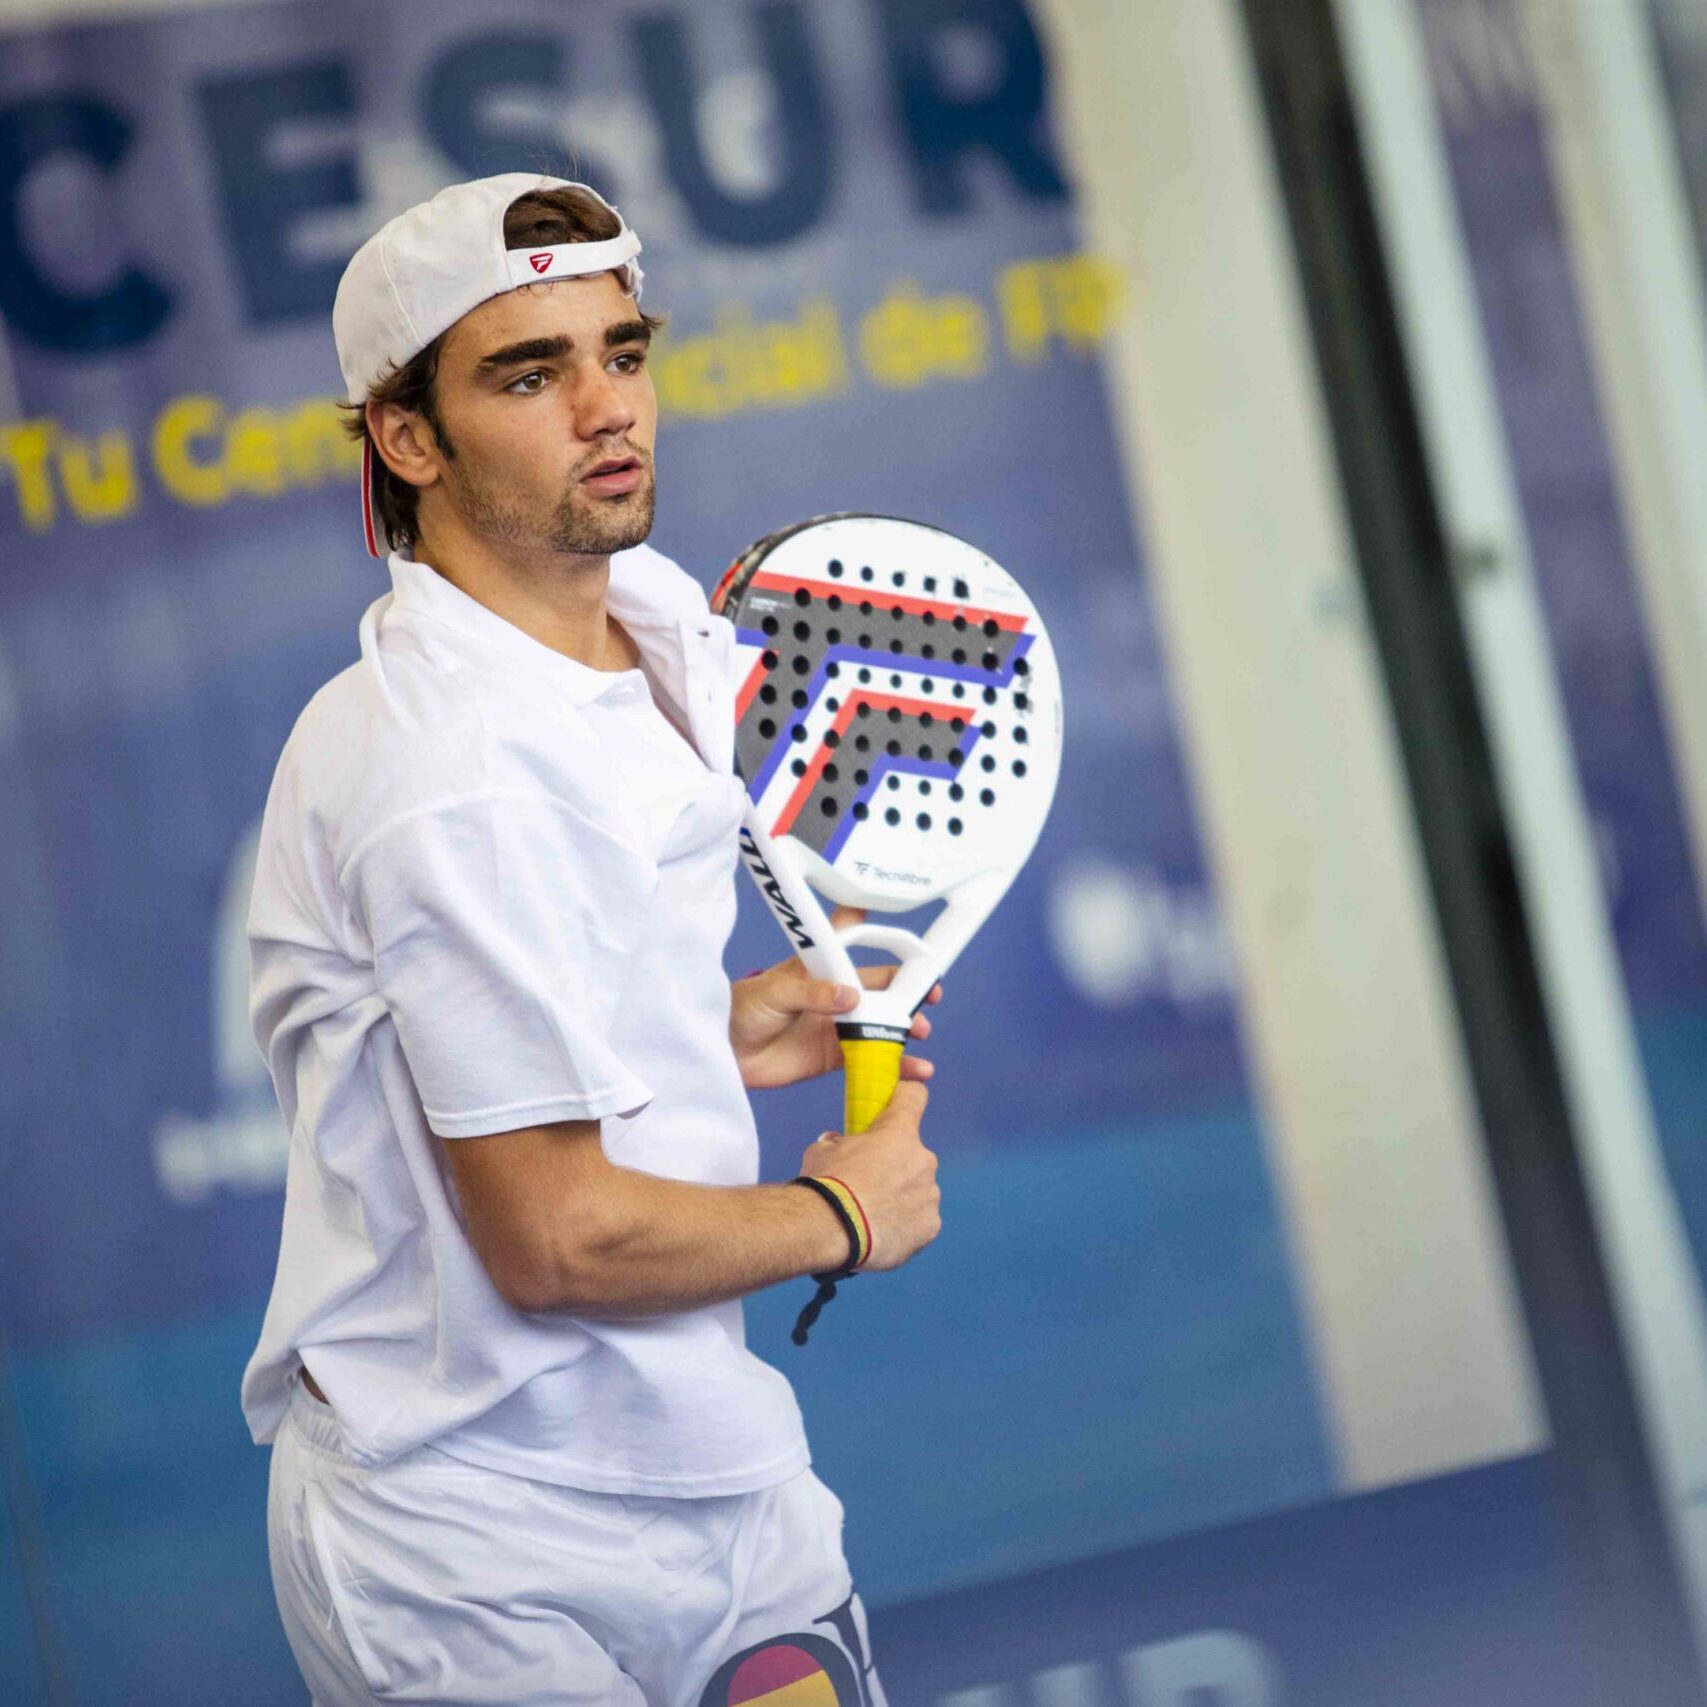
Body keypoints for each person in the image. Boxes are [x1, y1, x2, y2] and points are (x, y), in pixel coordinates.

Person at [241, 172, 944, 1707]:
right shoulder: (446, 774)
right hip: (465, 1538)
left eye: (621, 352)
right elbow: (555, 1240)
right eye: (528, 374)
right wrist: (842, 1215)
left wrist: (711, 1028)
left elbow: (547, 1015)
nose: (605, 407)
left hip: (717, 1467)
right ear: (406, 439)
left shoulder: (655, 619)